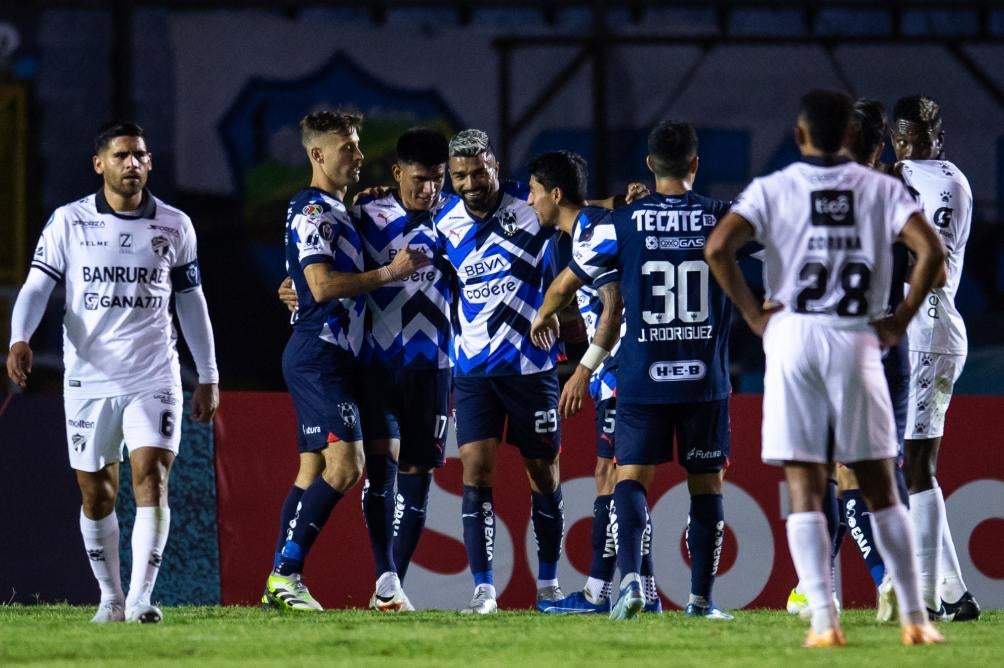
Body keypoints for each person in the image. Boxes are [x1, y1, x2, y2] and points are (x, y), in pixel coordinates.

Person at [705, 88, 945, 647]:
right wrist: (900, 320)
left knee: (805, 485)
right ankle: (914, 617)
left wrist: (753, 316)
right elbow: (929, 251)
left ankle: (823, 622)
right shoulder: (882, 188)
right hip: (857, 338)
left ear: (799, 135)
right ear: (853, 136)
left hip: (793, 340)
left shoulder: (776, 187)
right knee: (882, 483)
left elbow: (719, 248)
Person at [6, 121, 220, 624]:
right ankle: (111, 597)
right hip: (89, 376)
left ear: (150, 163)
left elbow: (191, 302)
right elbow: (38, 287)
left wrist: (207, 373)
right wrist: (20, 338)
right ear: (98, 163)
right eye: (122, 155)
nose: (133, 164)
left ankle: (144, 598)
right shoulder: (69, 222)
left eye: (140, 155)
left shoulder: (175, 225)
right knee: (97, 491)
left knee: (152, 476)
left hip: (154, 374)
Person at [532, 123, 740, 621]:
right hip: (703, 378)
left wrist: (545, 311)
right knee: (706, 486)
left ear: (649, 164)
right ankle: (701, 602)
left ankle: (628, 583)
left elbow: (575, 275)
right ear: (695, 164)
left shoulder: (622, 224)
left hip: (641, 375)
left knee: (630, 479)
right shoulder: (720, 217)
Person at [262, 111, 429, 611]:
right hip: (320, 355)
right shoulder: (313, 210)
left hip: (337, 355)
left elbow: (303, 281)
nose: (358, 155)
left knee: (312, 470)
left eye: (357, 146)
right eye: (347, 147)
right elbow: (320, 285)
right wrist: (388, 273)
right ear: (317, 154)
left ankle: (279, 579)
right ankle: (286, 574)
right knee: (347, 463)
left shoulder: (336, 209)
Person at [786, 98, 915, 623]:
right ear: (880, 146)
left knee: (839, 471)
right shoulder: (898, 191)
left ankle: (885, 580)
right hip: (891, 344)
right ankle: (813, 585)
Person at [525, 150, 668, 616]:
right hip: (625, 369)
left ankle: (598, 593)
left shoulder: (592, 232)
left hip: (622, 369)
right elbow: (569, 286)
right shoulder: (590, 228)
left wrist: (583, 370)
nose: (529, 201)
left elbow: (613, 309)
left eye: (533, 191)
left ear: (556, 194)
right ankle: (638, 588)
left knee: (615, 478)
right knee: (617, 478)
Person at [434, 129, 565, 614]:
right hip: (472, 369)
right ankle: (484, 589)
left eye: (478, 172)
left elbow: (583, 216)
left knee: (543, 473)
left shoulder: (530, 211)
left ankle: (548, 586)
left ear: (494, 164)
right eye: (460, 175)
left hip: (532, 368)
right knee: (476, 470)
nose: (470, 183)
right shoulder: (441, 222)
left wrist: (629, 200)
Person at [354, 127, 454, 611]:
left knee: (418, 474)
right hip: (377, 363)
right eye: (419, 179)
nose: (429, 190)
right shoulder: (366, 213)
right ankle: (386, 573)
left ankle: (392, 587)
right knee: (382, 471)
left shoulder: (457, 219)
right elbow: (325, 260)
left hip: (434, 367)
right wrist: (294, 280)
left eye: (437, 179)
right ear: (396, 173)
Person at [891, 95, 980, 622]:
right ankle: (950, 591)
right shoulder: (926, 177)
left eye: (915, 140)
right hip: (923, 331)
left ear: (935, 138)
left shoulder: (934, 183)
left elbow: (935, 265)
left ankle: (932, 595)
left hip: (927, 327)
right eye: (900, 141)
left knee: (917, 465)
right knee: (914, 464)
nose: (906, 150)